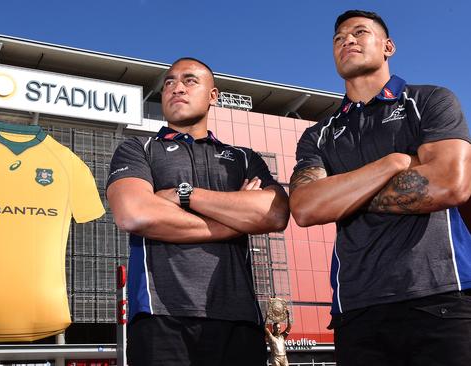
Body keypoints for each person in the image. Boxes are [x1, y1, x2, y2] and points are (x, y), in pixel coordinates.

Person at [289, 9, 471, 366]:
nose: (348, 41)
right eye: (339, 38)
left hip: (442, 299)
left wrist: (342, 197)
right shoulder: (318, 135)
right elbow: (305, 208)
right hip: (357, 309)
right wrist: (393, 163)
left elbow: (451, 184)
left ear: (388, 46)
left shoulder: (431, 101)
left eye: (359, 33)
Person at [106, 57, 289, 366]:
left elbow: (274, 215)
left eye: (189, 81)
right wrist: (236, 219)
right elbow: (134, 213)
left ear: (213, 96)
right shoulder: (138, 149)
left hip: (239, 318)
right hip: (160, 317)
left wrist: (184, 195)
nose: (177, 88)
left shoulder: (244, 158)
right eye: (169, 83)